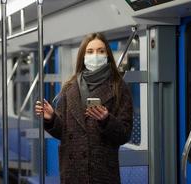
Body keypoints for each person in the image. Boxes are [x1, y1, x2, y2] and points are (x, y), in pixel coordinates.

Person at [35, 32, 133, 184]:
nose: (96, 55)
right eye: (90, 51)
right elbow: (64, 132)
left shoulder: (119, 88)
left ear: (107, 54)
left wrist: (106, 120)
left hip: (102, 171)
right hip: (72, 170)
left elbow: (125, 134)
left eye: (101, 51)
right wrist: (52, 119)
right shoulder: (70, 88)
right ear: (83, 56)